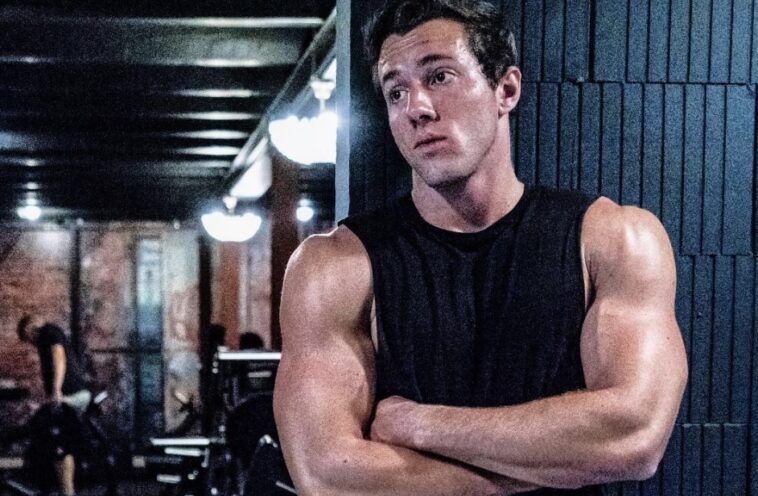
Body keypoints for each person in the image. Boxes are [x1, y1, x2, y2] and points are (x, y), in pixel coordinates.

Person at [273, 0, 688, 494]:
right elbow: (329, 478)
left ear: (505, 89)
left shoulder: (613, 239)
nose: (416, 108)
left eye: (439, 77)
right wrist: (547, 468)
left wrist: (417, 425)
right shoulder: (333, 267)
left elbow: (634, 436)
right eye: (396, 91)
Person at [17, 315, 90, 496]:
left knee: (57, 443)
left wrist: (56, 390)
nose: (31, 343)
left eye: (27, 339)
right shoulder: (47, 336)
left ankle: (67, 491)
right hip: (70, 395)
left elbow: (59, 356)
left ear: (30, 330)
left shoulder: (48, 332)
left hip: (71, 395)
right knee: (46, 436)